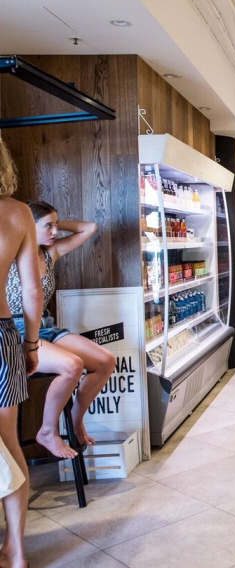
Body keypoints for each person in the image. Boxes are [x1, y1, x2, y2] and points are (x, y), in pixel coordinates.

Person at [6, 201, 114, 459]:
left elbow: (89, 228)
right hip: (17, 331)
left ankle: (76, 420)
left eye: (56, 225)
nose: (55, 232)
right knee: (72, 365)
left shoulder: (49, 253)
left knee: (105, 361)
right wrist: (28, 223)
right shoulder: (8, 253)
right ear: (28, 226)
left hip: (46, 326)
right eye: (48, 226)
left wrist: (53, 222)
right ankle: (47, 430)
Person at [0, 138, 42, 568]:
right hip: (2, 339)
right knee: (8, 445)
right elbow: (31, 290)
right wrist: (31, 345)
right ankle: (15, 550)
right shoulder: (17, 213)